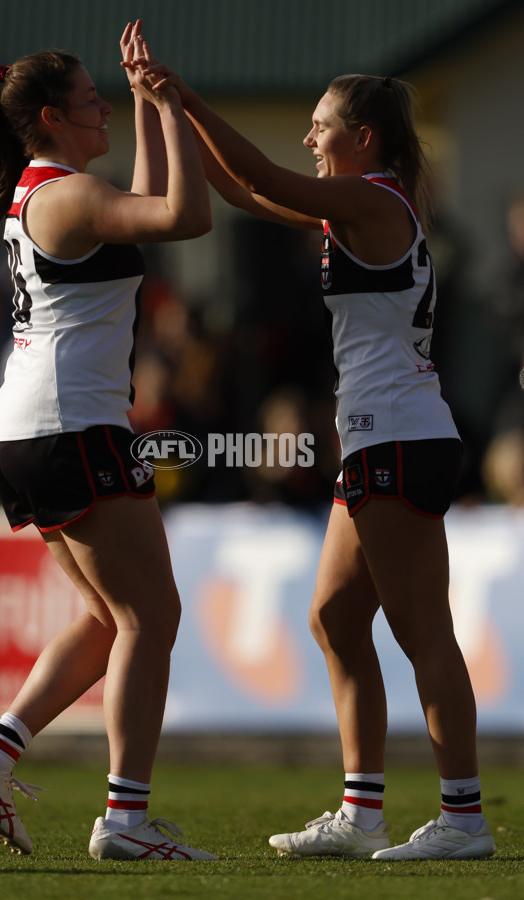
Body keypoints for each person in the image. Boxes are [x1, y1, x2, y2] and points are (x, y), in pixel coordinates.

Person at [141, 51, 496, 860]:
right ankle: (362, 811)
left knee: (422, 632)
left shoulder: (372, 200)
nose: (308, 135)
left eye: (322, 124)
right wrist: (167, 113)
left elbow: (264, 170)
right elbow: (243, 189)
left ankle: (464, 819)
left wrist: (186, 95)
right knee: (336, 618)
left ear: (363, 138)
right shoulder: (357, 207)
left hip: (399, 438)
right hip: (382, 438)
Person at [0, 21, 216, 862]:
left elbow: (146, 215)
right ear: (54, 119)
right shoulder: (67, 196)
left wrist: (142, 104)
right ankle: (125, 821)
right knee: (151, 616)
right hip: (70, 424)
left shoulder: (50, 190)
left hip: (29, 427)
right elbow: (186, 216)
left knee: (111, 616)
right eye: (95, 102)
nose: (106, 113)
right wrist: (170, 107)